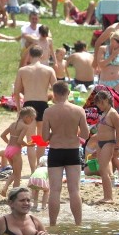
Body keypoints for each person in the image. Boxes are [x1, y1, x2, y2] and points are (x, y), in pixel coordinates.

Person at [42, 81, 90, 226]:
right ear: (68, 92)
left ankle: (52, 224)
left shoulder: (48, 111)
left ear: (54, 94)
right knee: (74, 190)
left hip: (56, 151)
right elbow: (86, 134)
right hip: (73, 150)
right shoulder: (78, 110)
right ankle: (78, 224)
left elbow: (44, 137)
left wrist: (53, 135)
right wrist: (74, 134)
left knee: (55, 190)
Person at [14, 45, 57, 170]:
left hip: (29, 105)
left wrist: (18, 109)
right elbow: (56, 90)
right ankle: (40, 167)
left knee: (31, 140)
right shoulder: (48, 70)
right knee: (41, 139)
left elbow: (16, 92)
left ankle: (33, 169)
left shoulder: (23, 70)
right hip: (43, 104)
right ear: (42, 55)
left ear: (30, 55)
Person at [0, 107, 36, 197]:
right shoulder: (25, 126)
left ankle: (5, 188)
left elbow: (2, 135)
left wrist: (10, 144)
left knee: (15, 172)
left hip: (8, 149)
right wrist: (28, 145)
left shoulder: (12, 124)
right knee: (18, 175)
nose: (32, 121)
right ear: (27, 117)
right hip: (15, 151)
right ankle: (15, 196)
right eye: (32, 119)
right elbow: (19, 141)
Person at [94, 91, 119, 204]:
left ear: (106, 100)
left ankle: (109, 197)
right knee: (101, 169)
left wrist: (116, 148)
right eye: (98, 104)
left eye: (100, 103)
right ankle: (106, 195)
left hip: (109, 143)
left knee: (104, 169)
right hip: (100, 143)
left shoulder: (113, 113)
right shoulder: (103, 113)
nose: (99, 106)